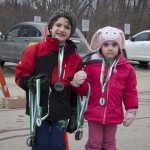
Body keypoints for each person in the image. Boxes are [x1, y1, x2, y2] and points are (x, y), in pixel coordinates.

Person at [15, 9, 82, 150]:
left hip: (62, 111)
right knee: (41, 145)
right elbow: (21, 74)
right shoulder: (35, 50)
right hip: (40, 109)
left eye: (67, 27)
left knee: (58, 145)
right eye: (58, 25)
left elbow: (76, 90)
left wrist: (75, 113)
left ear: (71, 31)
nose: (62, 29)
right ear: (50, 27)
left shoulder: (75, 58)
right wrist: (31, 82)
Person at [70, 26, 139, 150]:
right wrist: (78, 83)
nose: (110, 48)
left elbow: (130, 92)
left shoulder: (127, 69)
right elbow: (86, 91)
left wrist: (131, 110)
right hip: (94, 113)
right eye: (106, 44)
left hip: (113, 114)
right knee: (94, 143)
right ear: (100, 46)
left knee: (109, 143)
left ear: (120, 46)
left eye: (114, 44)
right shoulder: (91, 66)